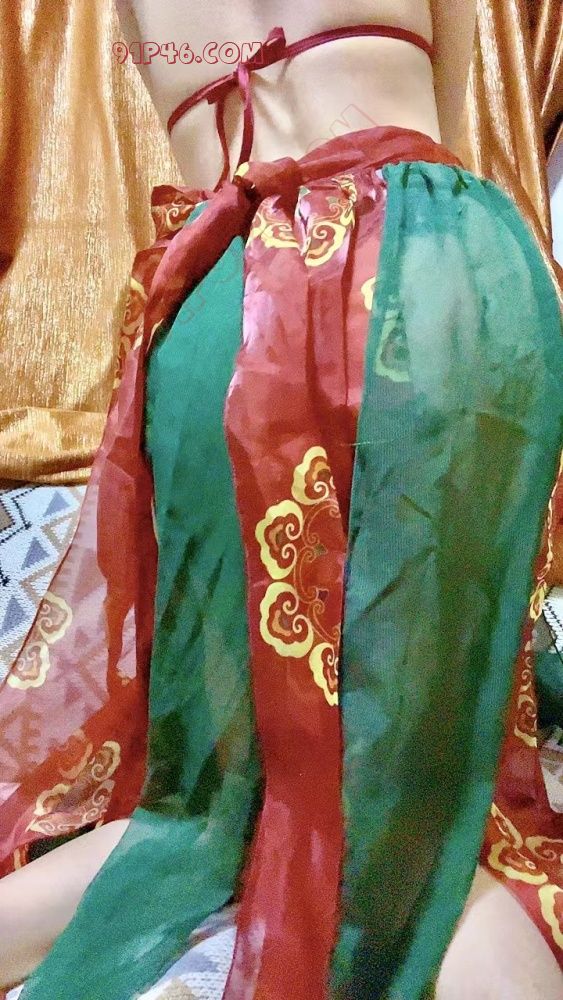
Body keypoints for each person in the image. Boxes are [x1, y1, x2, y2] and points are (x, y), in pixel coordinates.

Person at [1, 2, 562, 998]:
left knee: (201, 811)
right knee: (425, 824)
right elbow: (454, 117)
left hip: (220, 300)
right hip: (419, 252)